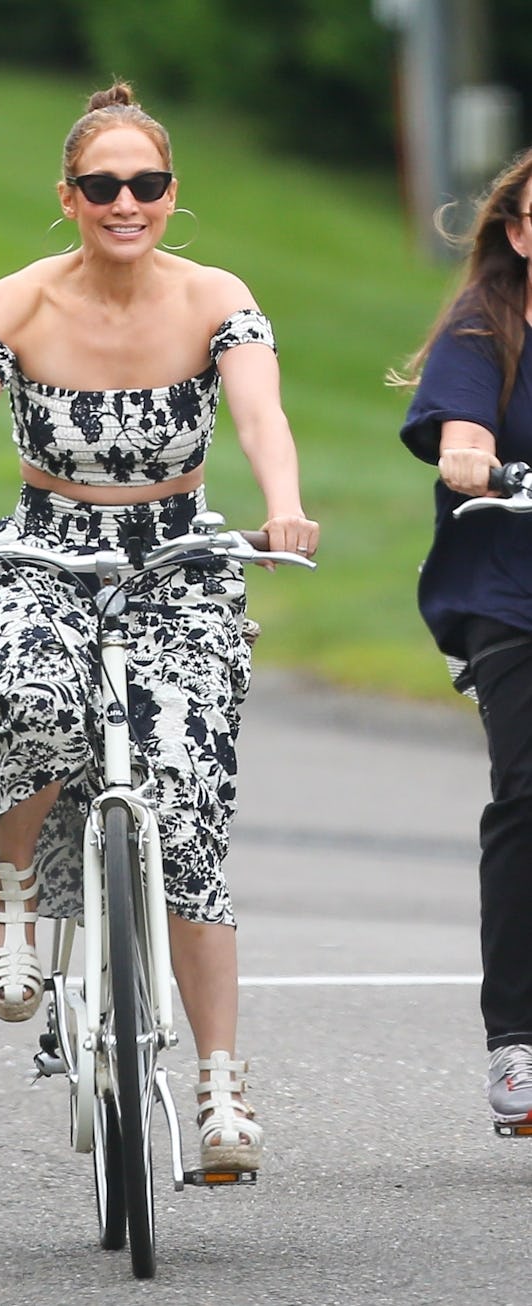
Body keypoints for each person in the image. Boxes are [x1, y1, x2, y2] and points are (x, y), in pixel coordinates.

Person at [0, 82, 318, 1170]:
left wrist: (283, 505)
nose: (126, 201)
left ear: (173, 193)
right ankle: (14, 895)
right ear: (69, 198)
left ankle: (223, 1094)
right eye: (103, 185)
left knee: (186, 816)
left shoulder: (217, 296)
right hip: (44, 550)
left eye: (147, 184)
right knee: (29, 694)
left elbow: (265, 415)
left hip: (179, 561)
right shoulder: (19, 303)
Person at [396, 147, 532, 1132]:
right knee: (530, 792)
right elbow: (460, 436)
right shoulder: (486, 327)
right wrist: (473, 457)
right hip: (509, 586)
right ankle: (519, 1047)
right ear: (519, 234)